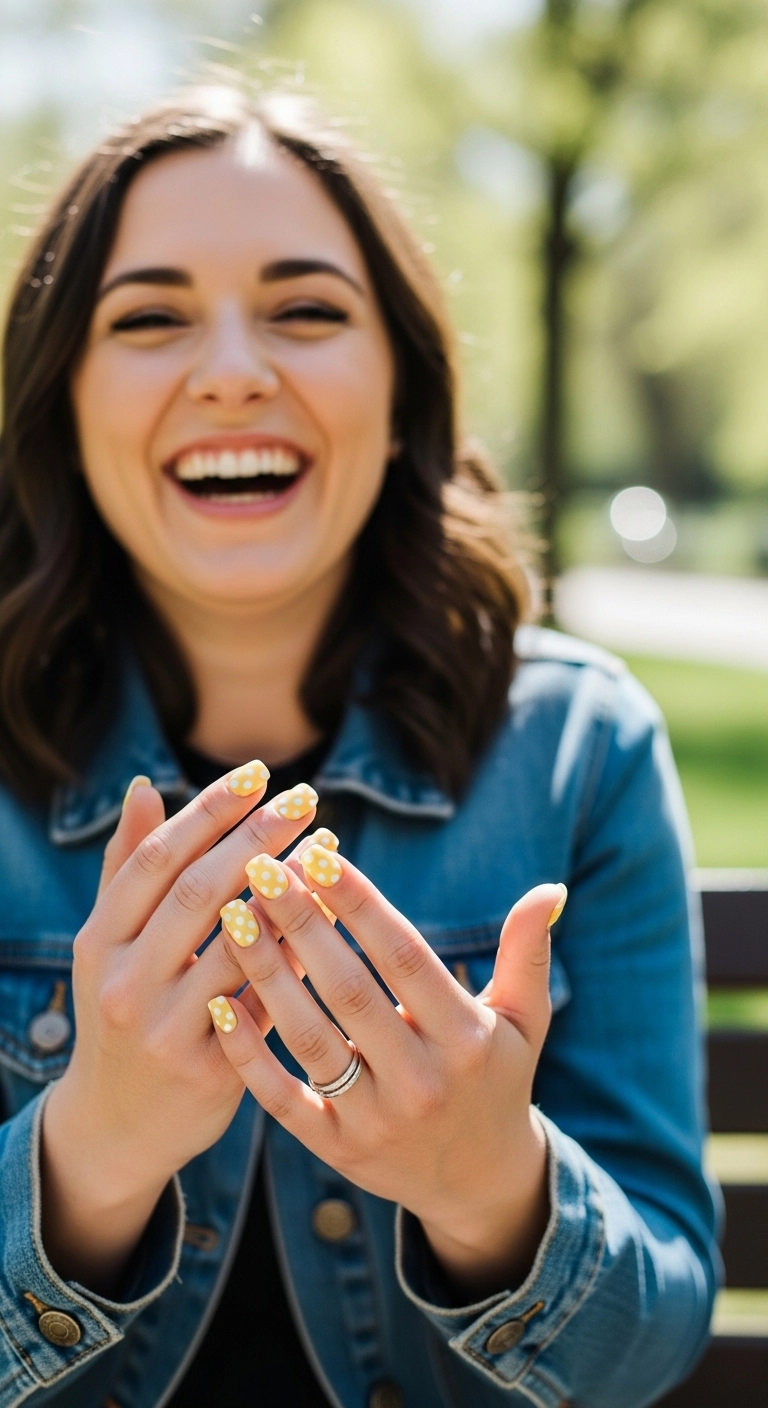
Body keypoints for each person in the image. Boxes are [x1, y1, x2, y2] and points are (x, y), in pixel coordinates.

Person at [0, 85, 717, 1408]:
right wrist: (85, 1157)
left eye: (307, 310)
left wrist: (495, 1194)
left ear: (400, 389)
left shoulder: (580, 749)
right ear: (62, 400)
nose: (232, 369)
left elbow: (656, 1340)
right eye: (149, 317)